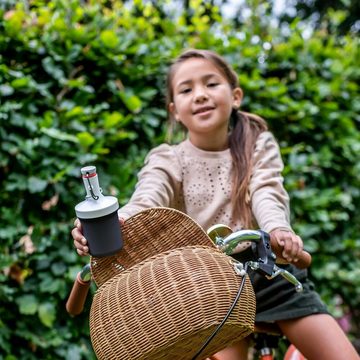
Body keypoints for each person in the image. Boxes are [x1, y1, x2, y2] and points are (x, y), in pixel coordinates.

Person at [71, 49, 359, 359]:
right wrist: (113, 221)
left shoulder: (257, 145)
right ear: (175, 110)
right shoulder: (168, 158)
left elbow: (267, 191)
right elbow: (147, 199)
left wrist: (277, 229)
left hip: (265, 269)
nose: (199, 95)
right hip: (210, 282)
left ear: (235, 96)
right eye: (186, 89)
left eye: (211, 84)